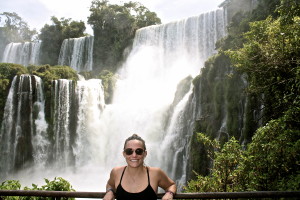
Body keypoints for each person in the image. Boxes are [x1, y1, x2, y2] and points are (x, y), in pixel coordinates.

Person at [103, 134, 177, 200]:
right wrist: (110, 192)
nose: (134, 155)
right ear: (124, 154)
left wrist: (169, 193)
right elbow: (110, 184)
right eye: (129, 151)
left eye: (139, 151)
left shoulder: (155, 173)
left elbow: (171, 185)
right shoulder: (116, 172)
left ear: (145, 154)